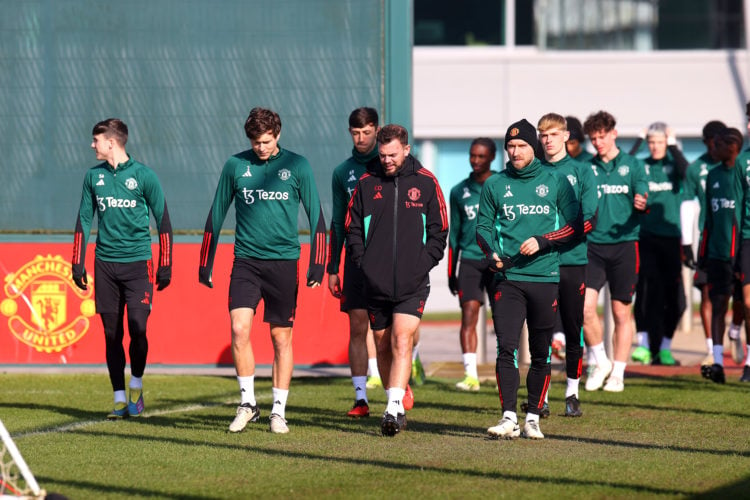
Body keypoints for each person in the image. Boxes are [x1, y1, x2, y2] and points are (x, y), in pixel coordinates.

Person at [198, 107, 326, 433]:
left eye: (267, 141)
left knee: (280, 337)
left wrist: (319, 262)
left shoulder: (297, 165)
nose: (262, 147)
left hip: (284, 263)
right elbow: (216, 214)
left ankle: (278, 411)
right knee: (240, 329)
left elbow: (317, 217)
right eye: (256, 141)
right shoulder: (235, 165)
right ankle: (248, 404)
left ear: (278, 135)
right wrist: (205, 262)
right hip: (246, 261)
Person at [478, 119, 580, 440]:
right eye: (510, 146)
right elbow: (482, 228)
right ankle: (509, 416)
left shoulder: (555, 180)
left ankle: (533, 416)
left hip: (545, 276)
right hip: (508, 278)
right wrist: (491, 254)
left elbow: (575, 225)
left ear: (533, 147)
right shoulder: (495, 184)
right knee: (505, 347)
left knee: (540, 352)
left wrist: (544, 240)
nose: (515, 151)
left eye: (522, 145)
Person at [346, 124, 448, 436]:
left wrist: (423, 264)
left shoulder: (427, 182)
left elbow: (439, 230)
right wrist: (365, 264)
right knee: (382, 343)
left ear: (406, 148)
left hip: (412, 282)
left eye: (393, 154)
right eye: (383, 155)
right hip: (374, 282)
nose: (387, 160)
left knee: (401, 339)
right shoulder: (366, 182)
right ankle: (396, 399)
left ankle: (392, 408)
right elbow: (352, 229)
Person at [72, 118, 173, 419]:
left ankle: (137, 385)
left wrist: (166, 264)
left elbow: (163, 220)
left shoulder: (144, 176)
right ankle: (119, 398)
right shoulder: (93, 177)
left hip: (138, 265)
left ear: (111, 142)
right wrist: (77, 262)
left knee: (138, 329)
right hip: (104, 266)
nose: (93, 145)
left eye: (96, 140)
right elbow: (83, 220)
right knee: (111, 334)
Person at [582, 111, 648, 393]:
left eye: (601, 136)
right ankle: (601, 360)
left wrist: (641, 201)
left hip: (624, 245)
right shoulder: (587, 167)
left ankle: (618, 373)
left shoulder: (634, 165)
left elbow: (644, 194)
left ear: (614, 134)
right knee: (584, 309)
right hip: (592, 246)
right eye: (593, 138)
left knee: (621, 313)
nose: (597, 142)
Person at [537, 113, 598, 417]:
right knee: (542, 331)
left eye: (552, 134)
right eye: (542, 135)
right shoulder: (531, 171)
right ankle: (541, 395)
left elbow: (589, 220)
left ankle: (572, 393)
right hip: (538, 265)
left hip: (573, 261)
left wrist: (551, 239)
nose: (547, 140)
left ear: (565, 136)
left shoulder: (582, 171)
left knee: (573, 330)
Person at [327, 107, 383, 417]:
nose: (361, 139)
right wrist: (332, 267)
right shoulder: (342, 172)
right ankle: (361, 398)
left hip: (386, 257)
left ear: (376, 130)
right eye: (355, 133)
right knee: (357, 326)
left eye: (366, 132)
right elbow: (337, 222)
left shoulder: (388, 162)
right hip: (354, 259)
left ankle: (395, 391)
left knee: (383, 330)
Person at [628, 123, 688, 366]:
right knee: (644, 293)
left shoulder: (674, 166)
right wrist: (638, 140)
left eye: (659, 142)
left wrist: (673, 144)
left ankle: (665, 348)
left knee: (675, 297)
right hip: (644, 237)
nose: (655, 147)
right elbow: (621, 168)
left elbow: (687, 172)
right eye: (651, 142)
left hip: (671, 238)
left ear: (667, 142)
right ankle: (642, 346)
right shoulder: (640, 164)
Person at [447, 138, 497, 392]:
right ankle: (471, 376)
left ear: (492, 158)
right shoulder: (458, 191)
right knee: (469, 315)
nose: (475, 161)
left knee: (503, 319)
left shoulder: (502, 184)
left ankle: (504, 372)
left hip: (498, 260)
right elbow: (454, 235)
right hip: (469, 260)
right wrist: (450, 272)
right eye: (472, 156)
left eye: (481, 156)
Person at [698, 127, 745, 384]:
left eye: (718, 145)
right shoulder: (712, 175)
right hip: (716, 253)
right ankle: (717, 362)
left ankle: (737, 336)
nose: (712, 150)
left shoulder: (741, 175)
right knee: (718, 305)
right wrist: (702, 252)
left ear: (732, 147)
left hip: (739, 253)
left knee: (744, 304)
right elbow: (709, 217)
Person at [681, 120, 728, 367]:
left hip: (734, 240)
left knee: (741, 298)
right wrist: (687, 243)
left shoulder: (736, 164)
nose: (716, 146)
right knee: (709, 295)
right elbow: (688, 204)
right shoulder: (696, 168)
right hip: (706, 241)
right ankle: (712, 348)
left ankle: (737, 335)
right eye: (712, 142)